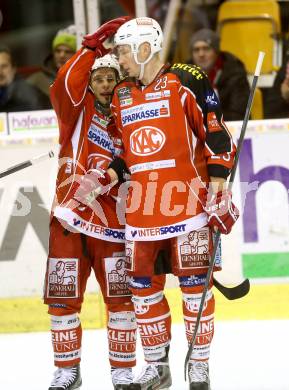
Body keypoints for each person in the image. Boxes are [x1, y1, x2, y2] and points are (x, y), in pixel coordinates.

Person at [78, 16, 239, 390]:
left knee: (196, 288)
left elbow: (215, 131)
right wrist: (108, 176)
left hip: (188, 209)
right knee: (143, 290)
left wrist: (218, 183)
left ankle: (199, 364)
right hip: (141, 213)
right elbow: (127, 154)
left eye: (122, 51)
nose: (119, 59)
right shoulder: (121, 94)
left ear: (145, 47)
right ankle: (156, 365)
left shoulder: (186, 79)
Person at [43, 17, 138, 390]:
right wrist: (91, 48)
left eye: (110, 79)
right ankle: (67, 369)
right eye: (97, 78)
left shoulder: (130, 118)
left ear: (119, 83)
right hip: (68, 219)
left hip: (114, 225)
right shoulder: (74, 113)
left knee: (121, 302)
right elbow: (65, 83)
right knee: (63, 302)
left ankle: (122, 369)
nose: (102, 84)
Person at [189, 28, 250, 121]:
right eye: (196, 50)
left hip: (230, 129)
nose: (201, 54)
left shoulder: (234, 72)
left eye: (206, 49)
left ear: (216, 51)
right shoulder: (185, 74)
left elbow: (239, 114)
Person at [27, 25, 77, 107]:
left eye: (68, 52)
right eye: (58, 51)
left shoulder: (86, 78)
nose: (61, 55)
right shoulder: (37, 80)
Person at [0, 46, 48, 112]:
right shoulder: (4, 92)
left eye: (4, 66)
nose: (0, 72)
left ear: (14, 69)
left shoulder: (27, 93)